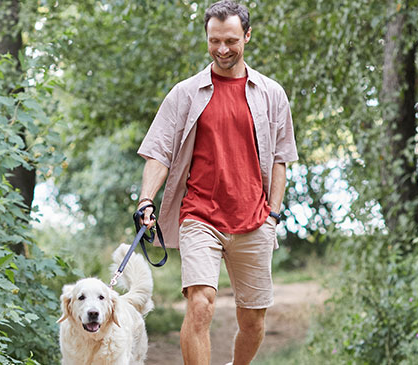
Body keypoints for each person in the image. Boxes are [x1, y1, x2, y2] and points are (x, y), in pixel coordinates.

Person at [134, 1, 297, 364]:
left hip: (254, 219)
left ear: (247, 36)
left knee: (253, 319)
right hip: (199, 216)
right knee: (200, 306)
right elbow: (158, 152)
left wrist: (273, 214)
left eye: (231, 40)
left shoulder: (271, 94)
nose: (222, 49)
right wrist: (146, 199)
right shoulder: (185, 94)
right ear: (207, 38)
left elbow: (282, 159)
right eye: (214, 41)